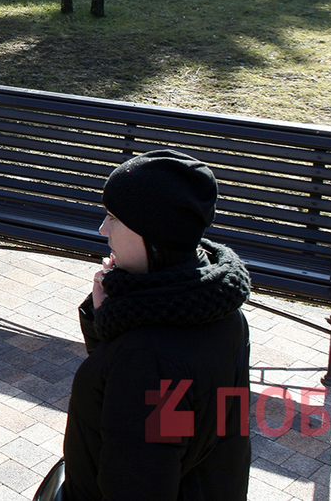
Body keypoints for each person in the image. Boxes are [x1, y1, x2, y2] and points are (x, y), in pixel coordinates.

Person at [59, 149, 252, 501]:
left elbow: (139, 482)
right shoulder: (220, 308)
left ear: (153, 233)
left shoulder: (148, 359)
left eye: (114, 217)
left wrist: (119, 334)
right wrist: (106, 321)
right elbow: (212, 431)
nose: (103, 229)